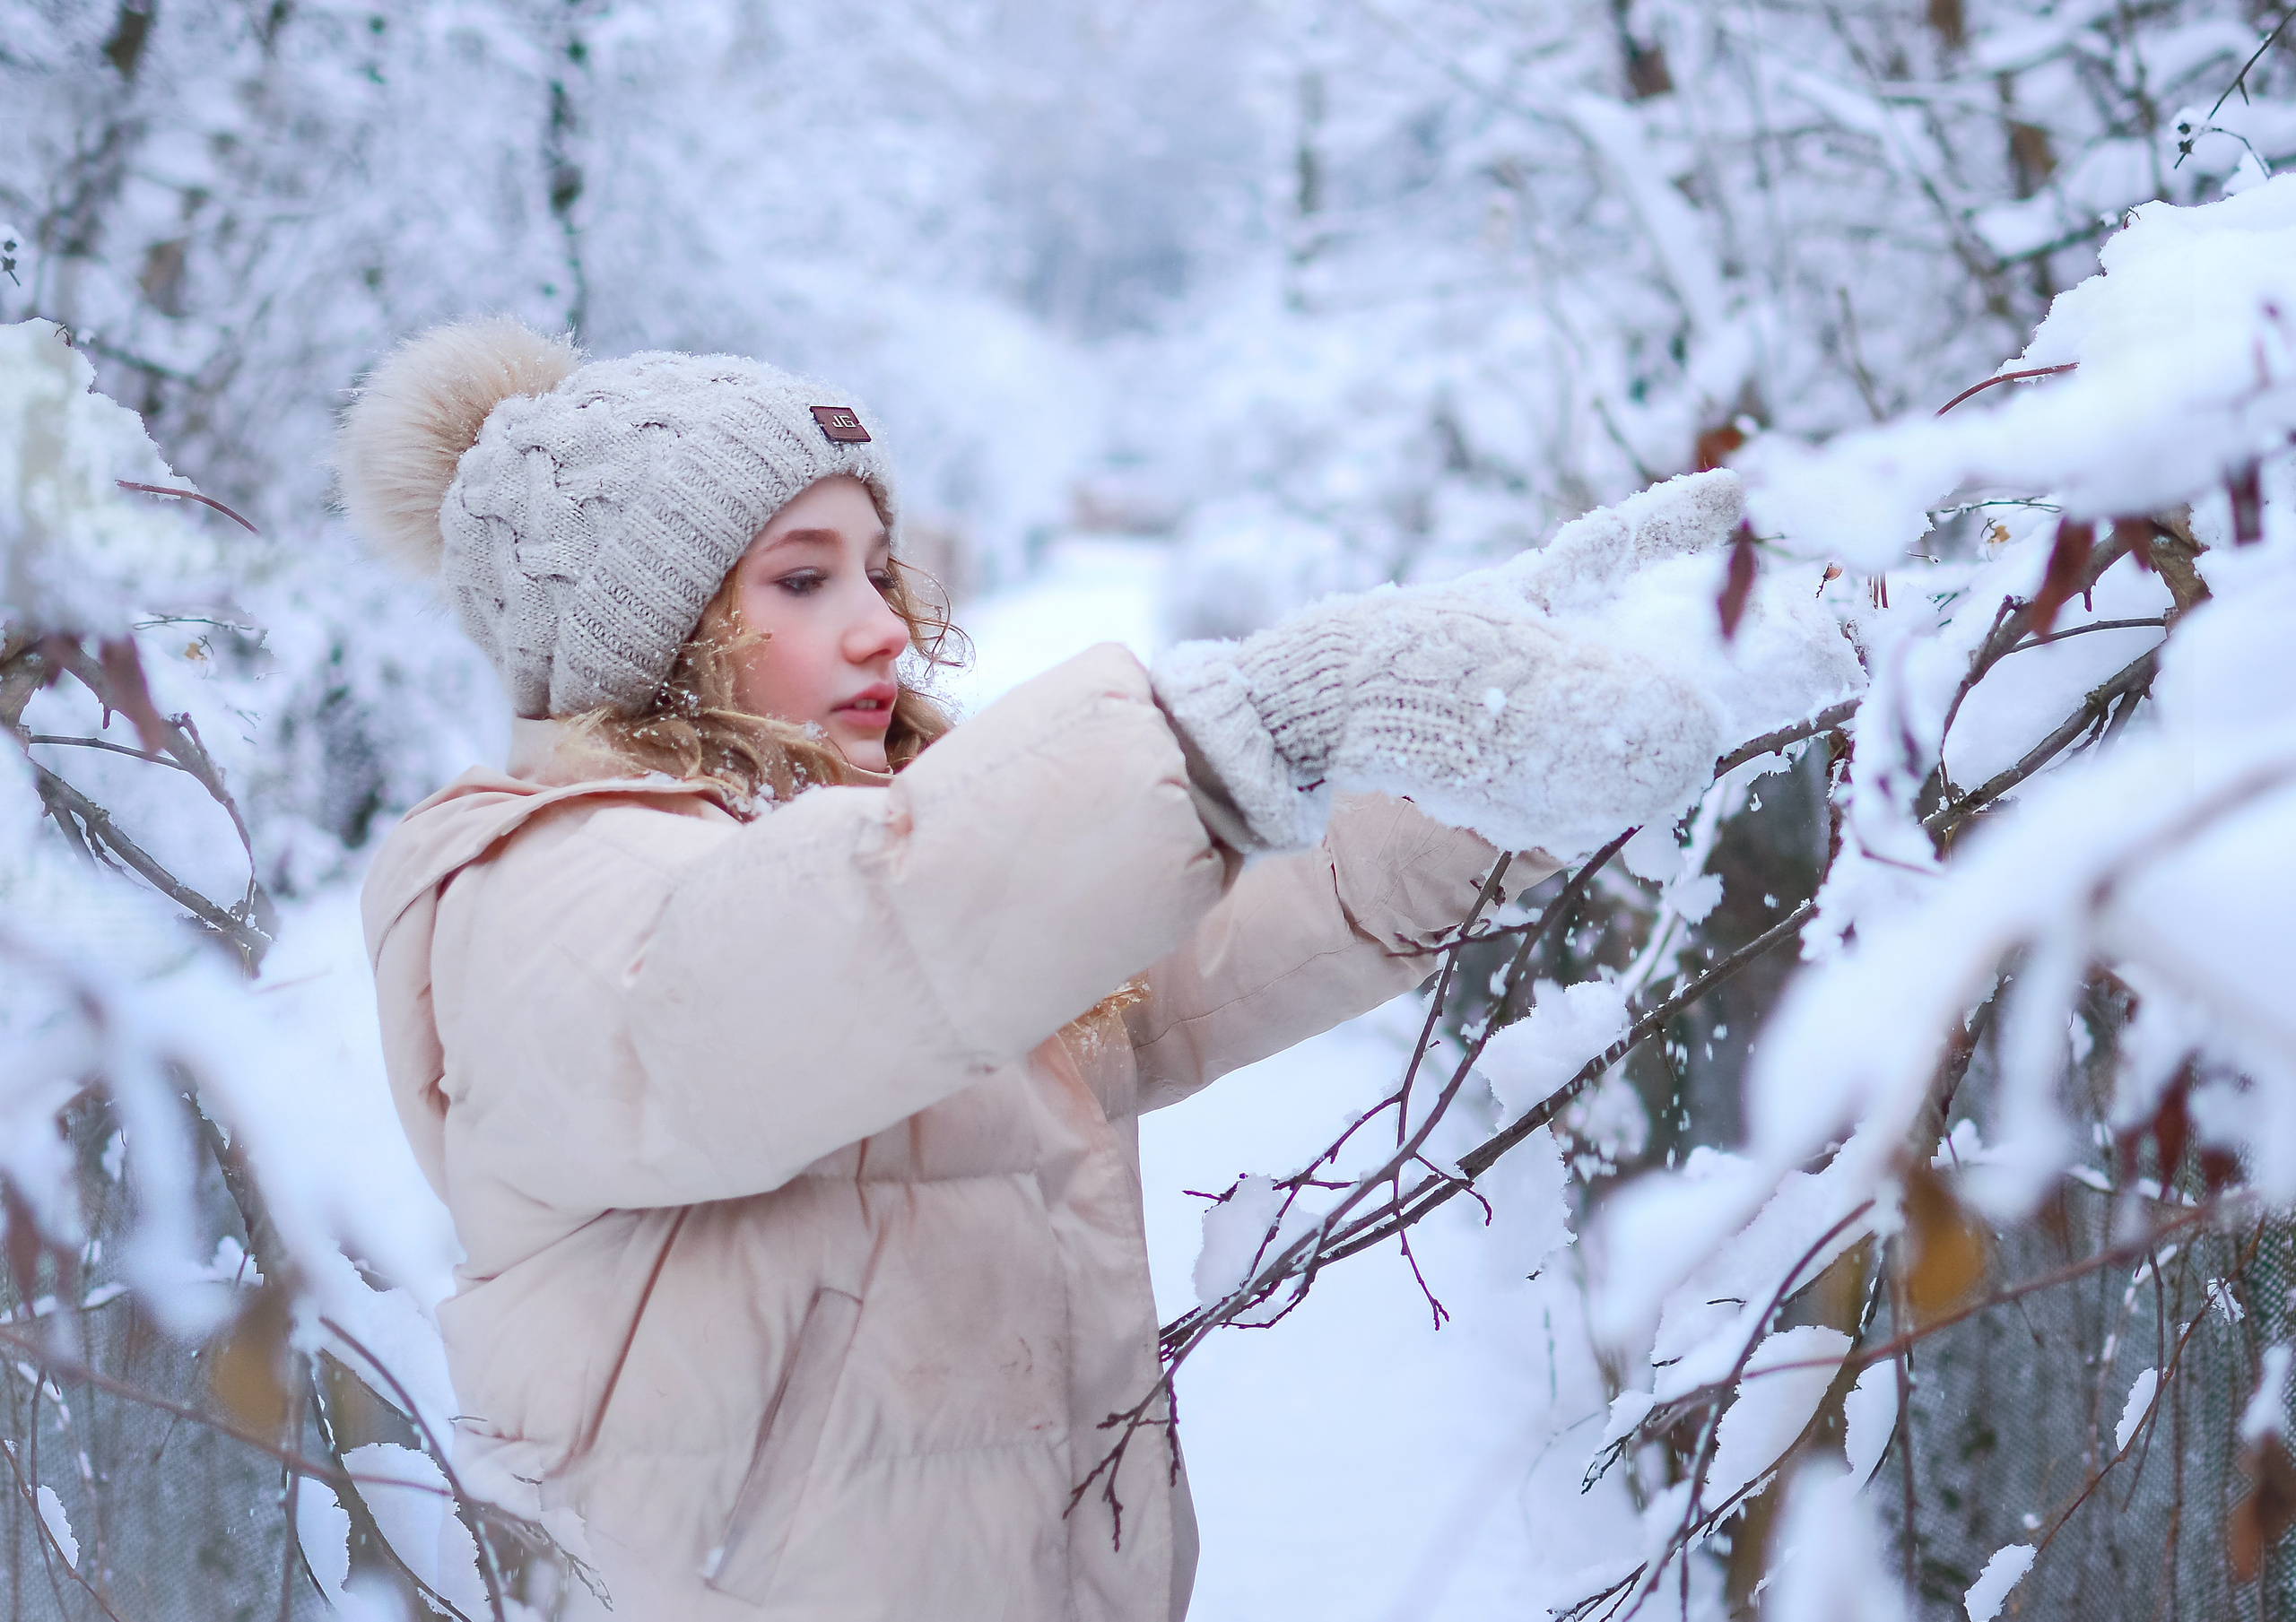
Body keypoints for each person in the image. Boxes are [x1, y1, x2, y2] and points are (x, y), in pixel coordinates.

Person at [342, 319, 1764, 1619]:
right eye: (801, 576)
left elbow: (1196, 940)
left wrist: (1484, 729)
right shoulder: (533, 893)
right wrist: (1243, 727)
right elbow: (806, 956)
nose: (884, 620)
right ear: (645, 635)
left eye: (875, 567)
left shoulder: (916, 882)